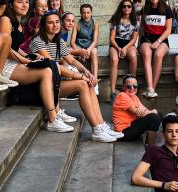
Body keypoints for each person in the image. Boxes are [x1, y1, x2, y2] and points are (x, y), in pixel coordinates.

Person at [30, 10, 121, 143]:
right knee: (82, 84)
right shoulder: (38, 42)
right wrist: (80, 77)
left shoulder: (58, 40)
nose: (55, 25)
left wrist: (87, 72)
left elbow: (72, 60)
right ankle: (96, 129)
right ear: (44, 25)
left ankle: (100, 125)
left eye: (56, 22)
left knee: (87, 83)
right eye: (50, 22)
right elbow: (54, 66)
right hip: (42, 87)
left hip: (54, 84)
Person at [0, 0, 74, 133]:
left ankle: (56, 112)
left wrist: (29, 56)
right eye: (20, 2)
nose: (24, 5)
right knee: (46, 72)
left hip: (15, 62)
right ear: (11, 5)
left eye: (26, 2)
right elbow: (6, 48)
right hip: (5, 65)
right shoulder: (5, 20)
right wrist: (25, 60)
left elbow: (15, 48)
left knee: (48, 67)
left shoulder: (18, 23)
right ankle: (52, 118)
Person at [131, 115, 178, 192]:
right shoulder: (154, 150)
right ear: (163, 134)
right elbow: (135, 178)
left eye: (177, 131)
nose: (174, 135)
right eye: (170, 131)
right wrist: (164, 185)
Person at [139, 0, 173, 99]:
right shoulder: (145, 9)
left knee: (158, 55)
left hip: (162, 39)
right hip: (147, 39)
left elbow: (168, 29)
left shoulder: (166, 9)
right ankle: (149, 87)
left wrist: (158, 41)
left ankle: (152, 88)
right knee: (147, 54)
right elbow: (141, 27)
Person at [112, 74, 161, 145]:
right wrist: (151, 112)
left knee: (158, 115)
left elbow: (144, 110)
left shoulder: (134, 97)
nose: (132, 88)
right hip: (123, 133)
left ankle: (149, 144)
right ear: (123, 87)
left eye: (135, 86)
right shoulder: (122, 96)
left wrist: (148, 112)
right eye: (129, 86)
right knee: (153, 117)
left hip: (131, 126)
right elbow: (139, 113)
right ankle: (151, 148)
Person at [108, 0, 139, 102]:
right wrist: (118, 48)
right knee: (114, 59)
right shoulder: (115, 20)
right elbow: (112, 38)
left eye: (129, 6)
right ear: (121, 8)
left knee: (133, 57)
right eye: (124, 6)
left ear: (132, 8)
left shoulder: (135, 22)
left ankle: (132, 86)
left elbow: (134, 39)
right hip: (116, 43)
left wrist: (125, 48)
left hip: (129, 44)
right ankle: (112, 91)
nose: (126, 8)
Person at [71, 4, 100, 91]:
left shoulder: (95, 24)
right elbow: (72, 41)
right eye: (84, 13)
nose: (86, 15)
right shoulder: (77, 24)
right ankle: (73, 81)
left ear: (91, 13)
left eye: (88, 12)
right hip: (79, 46)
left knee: (94, 52)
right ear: (80, 13)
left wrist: (87, 51)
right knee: (69, 54)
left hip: (90, 46)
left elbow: (95, 41)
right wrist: (79, 52)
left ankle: (95, 81)